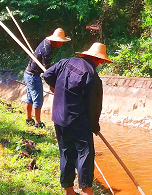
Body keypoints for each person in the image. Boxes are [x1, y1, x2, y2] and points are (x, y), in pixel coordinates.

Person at [42, 42, 111, 195]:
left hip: (59, 118)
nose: (101, 63)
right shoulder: (92, 76)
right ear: (97, 59)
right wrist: (94, 126)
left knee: (66, 152)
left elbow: (47, 75)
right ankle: (87, 191)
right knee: (85, 154)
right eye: (101, 61)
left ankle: (69, 191)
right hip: (78, 121)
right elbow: (94, 107)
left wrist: (56, 87)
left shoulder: (65, 62)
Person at [24, 28, 71, 128]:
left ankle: (29, 119)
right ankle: (38, 122)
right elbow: (47, 71)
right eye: (60, 42)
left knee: (30, 98)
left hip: (28, 74)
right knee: (38, 99)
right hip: (33, 76)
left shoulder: (46, 43)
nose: (61, 44)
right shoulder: (47, 50)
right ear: (55, 40)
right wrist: (52, 85)